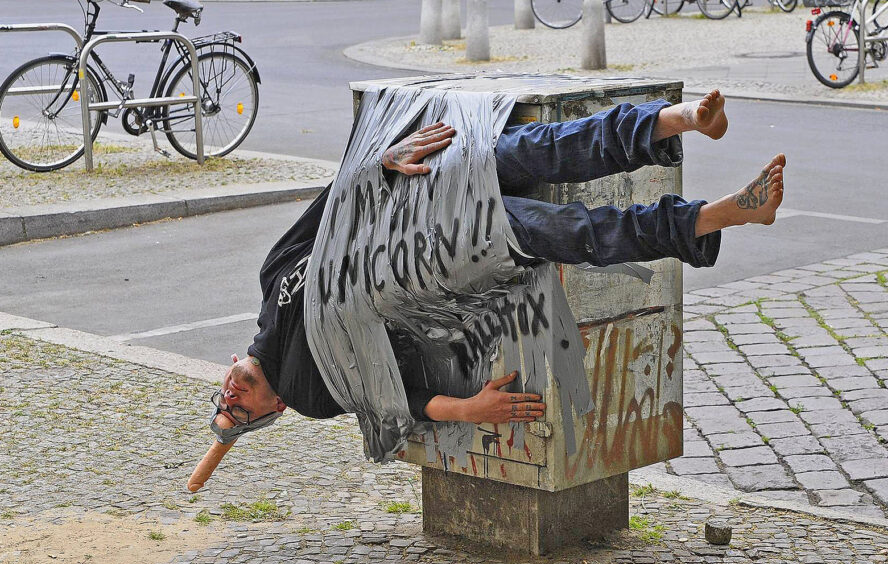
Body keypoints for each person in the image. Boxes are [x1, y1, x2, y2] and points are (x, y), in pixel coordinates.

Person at [209, 90, 786, 443]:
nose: (232, 397)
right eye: (242, 414)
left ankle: (678, 120)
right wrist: (471, 408)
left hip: (422, 189)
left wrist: (385, 159)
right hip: (440, 252)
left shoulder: (271, 277)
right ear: (274, 408)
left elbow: (333, 204)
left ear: (231, 367)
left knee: (536, 147)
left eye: (223, 400)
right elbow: (395, 397)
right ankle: (718, 217)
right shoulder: (312, 390)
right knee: (568, 232)